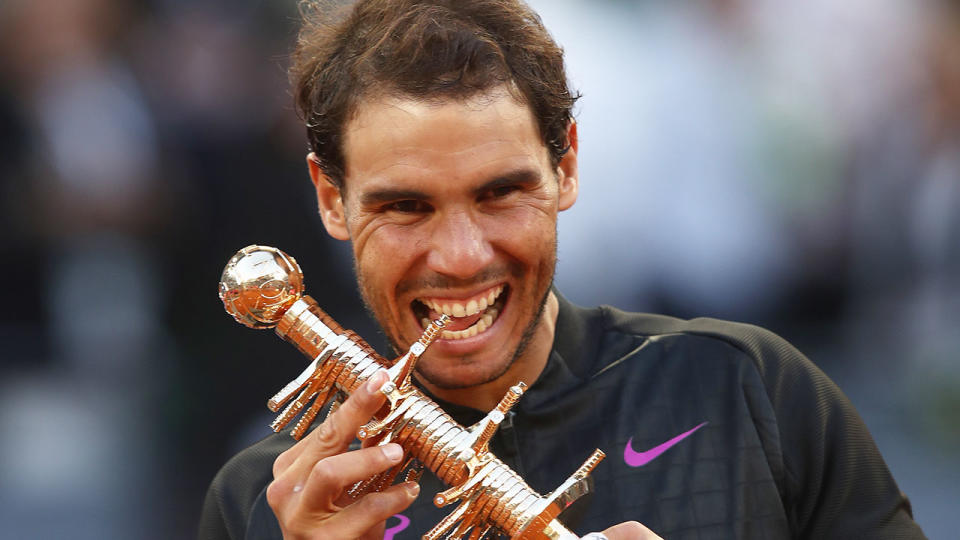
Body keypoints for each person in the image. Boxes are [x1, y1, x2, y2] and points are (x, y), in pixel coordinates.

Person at [199, 1, 926, 538]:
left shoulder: (749, 391)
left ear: (566, 165)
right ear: (332, 199)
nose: (460, 257)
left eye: (500, 193)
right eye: (407, 207)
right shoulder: (263, 503)